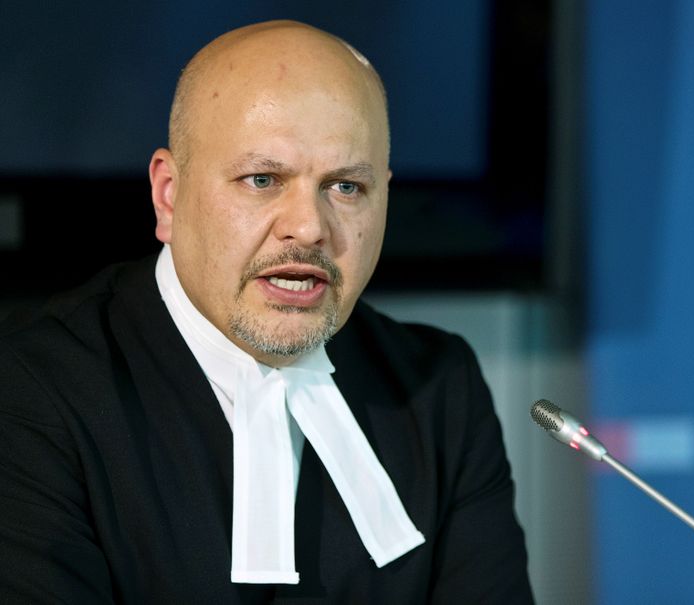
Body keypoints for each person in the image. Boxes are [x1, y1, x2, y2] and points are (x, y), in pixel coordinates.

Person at [0, 20, 534, 604]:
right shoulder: (28, 390)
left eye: (346, 187)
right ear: (169, 194)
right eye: (262, 179)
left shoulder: (440, 390)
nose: (308, 227)